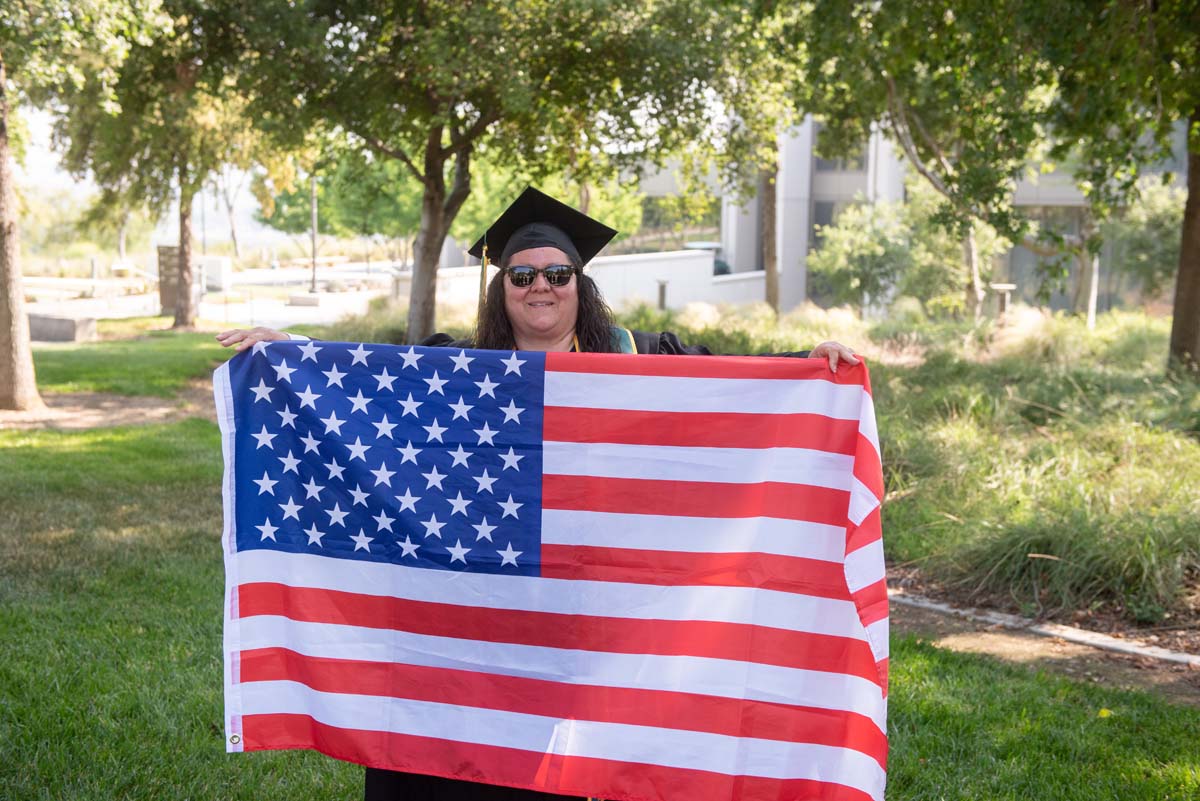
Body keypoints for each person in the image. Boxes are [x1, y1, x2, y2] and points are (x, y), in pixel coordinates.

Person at [217, 187, 858, 801]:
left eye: (557, 273)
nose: (541, 287)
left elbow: (732, 384)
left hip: (593, 595)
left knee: (561, 740)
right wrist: (293, 354)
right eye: (522, 276)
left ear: (581, 283)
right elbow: (370, 385)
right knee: (469, 724)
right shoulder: (458, 369)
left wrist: (810, 364)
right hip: (481, 587)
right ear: (503, 291)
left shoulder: (641, 362)